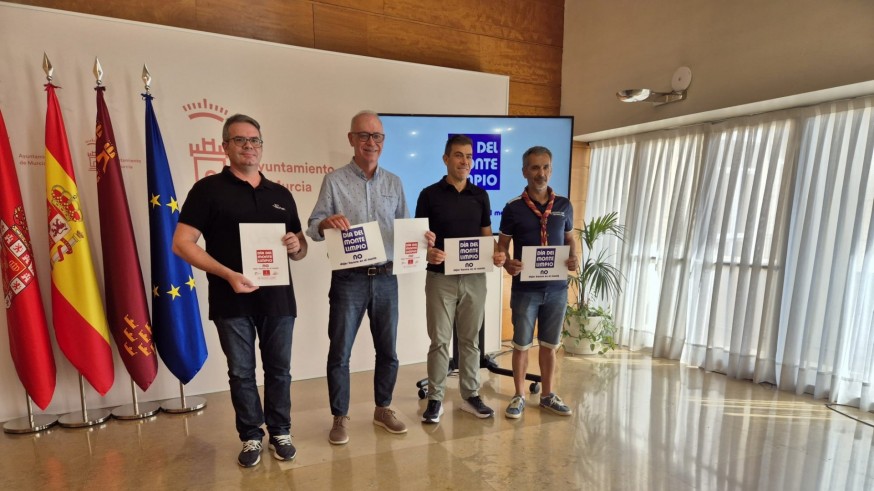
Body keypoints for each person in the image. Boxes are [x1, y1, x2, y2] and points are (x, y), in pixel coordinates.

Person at [173, 114, 307, 467]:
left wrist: (297, 245)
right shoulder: (207, 190)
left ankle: (280, 431)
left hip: (278, 298)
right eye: (240, 141)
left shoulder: (280, 194)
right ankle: (250, 436)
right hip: (230, 297)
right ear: (225, 147)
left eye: (255, 141)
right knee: (242, 372)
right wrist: (227, 273)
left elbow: (301, 246)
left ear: (262, 147)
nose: (249, 147)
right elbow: (182, 243)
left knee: (279, 369)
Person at [307, 110, 428, 445]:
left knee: (388, 349)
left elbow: (405, 229)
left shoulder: (394, 182)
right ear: (351, 139)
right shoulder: (334, 181)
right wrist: (325, 223)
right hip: (349, 278)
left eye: (377, 137)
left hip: (387, 277)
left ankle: (383, 408)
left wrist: (422, 239)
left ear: (383, 142)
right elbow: (313, 228)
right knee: (340, 351)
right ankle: (339, 416)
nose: (371, 142)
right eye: (364, 136)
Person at [415, 134, 506, 423]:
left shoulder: (480, 195)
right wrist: (428, 253)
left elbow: (486, 235)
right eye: (458, 155)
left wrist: (497, 254)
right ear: (446, 159)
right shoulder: (428, 195)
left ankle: (470, 395)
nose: (464, 161)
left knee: (470, 341)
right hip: (440, 279)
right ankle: (436, 399)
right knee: (440, 341)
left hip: (475, 278)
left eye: (468, 156)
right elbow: (419, 239)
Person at [497, 145, 577, 419]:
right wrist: (508, 263)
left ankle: (547, 395)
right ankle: (518, 395)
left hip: (556, 289)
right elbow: (502, 245)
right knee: (520, 345)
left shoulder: (564, 205)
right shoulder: (513, 208)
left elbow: (569, 239)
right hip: (525, 290)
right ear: (524, 172)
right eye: (534, 167)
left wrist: (574, 257)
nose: (540, 173)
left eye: (545, 167)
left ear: (551, 170)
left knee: (549, 345)